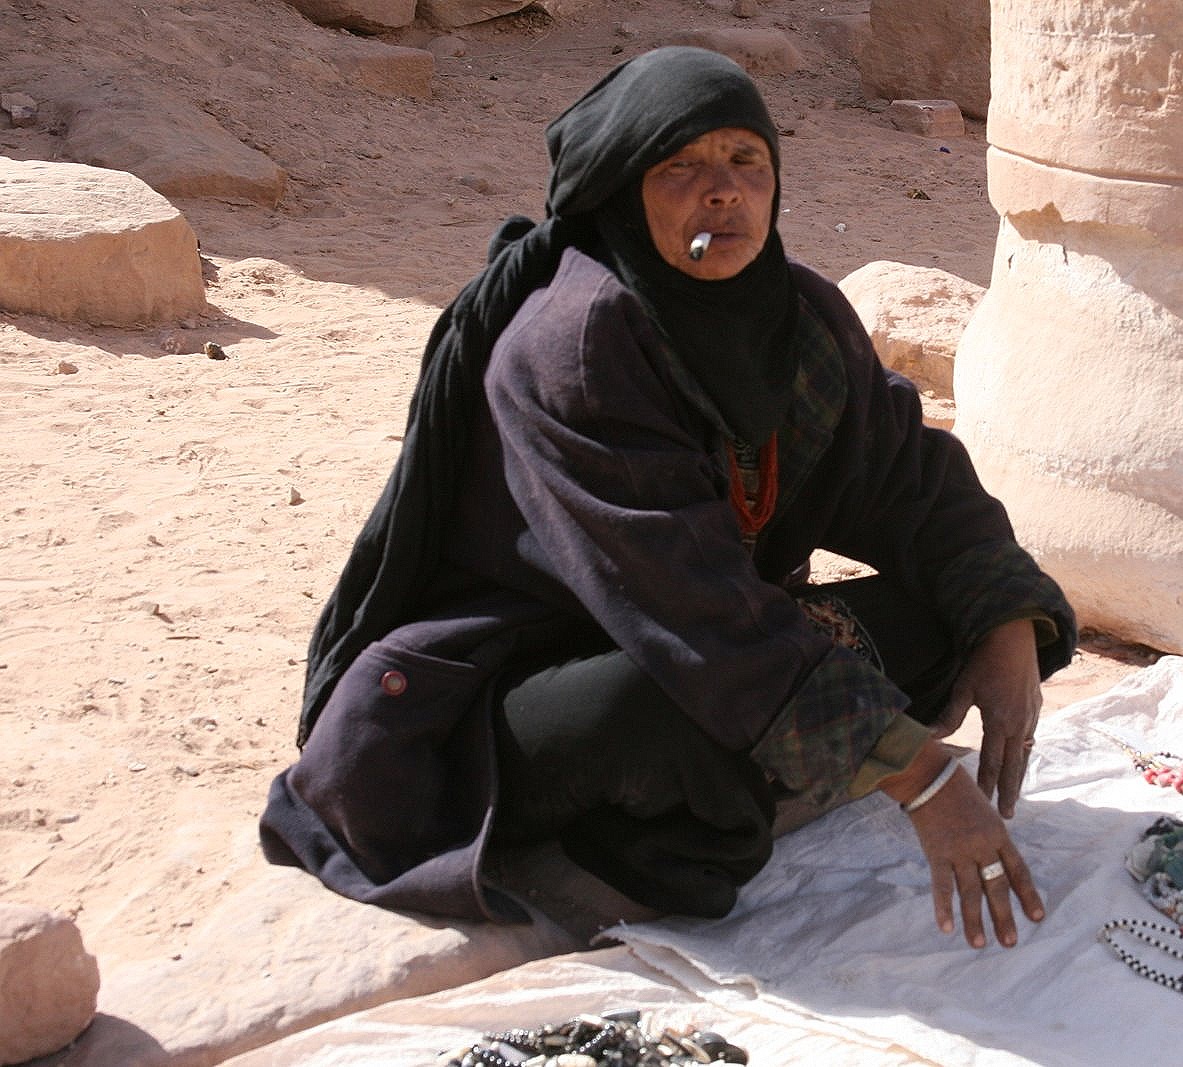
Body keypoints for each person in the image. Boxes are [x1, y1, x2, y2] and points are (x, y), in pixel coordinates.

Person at [259, 46, 1075, 953]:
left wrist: (1006, 625)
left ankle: (772, 754)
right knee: (676, 728)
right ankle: (627, 828)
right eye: (680, 167)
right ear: (622, 193)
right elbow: (693, 608)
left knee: (941, 619)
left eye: (745, 162)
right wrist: (922, 779)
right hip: (523, 689)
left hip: (693, 639)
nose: (721, 192)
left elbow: (913, 480)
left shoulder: (798, 318)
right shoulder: (574, 347)